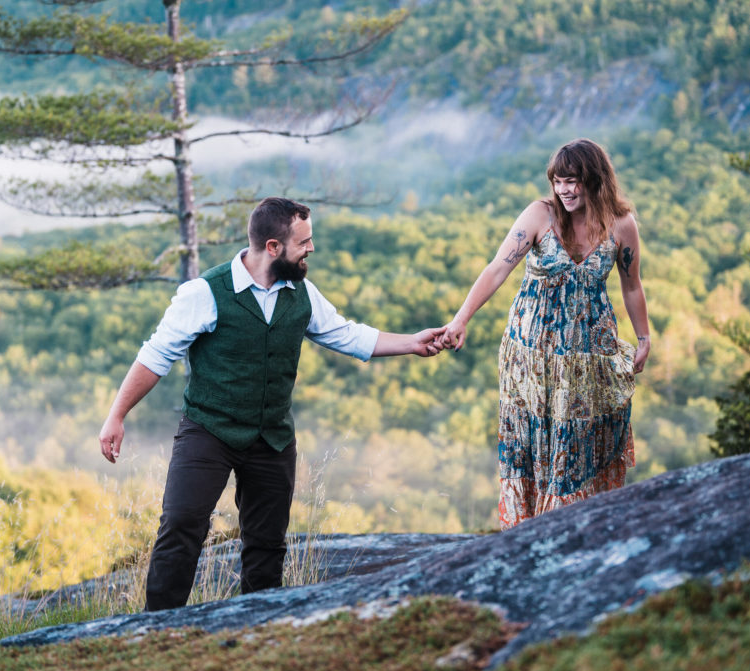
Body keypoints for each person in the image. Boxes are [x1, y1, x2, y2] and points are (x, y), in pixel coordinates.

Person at [98, 197, 445, 611]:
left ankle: (257, 626)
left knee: (266, 543)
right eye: (304, 242)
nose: (311, 249)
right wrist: (116, 416)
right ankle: (156, 630)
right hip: (208, 430)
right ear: (273, 247)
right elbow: (155, 357)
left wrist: (413, 343)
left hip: (273, 438)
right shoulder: (204, 293)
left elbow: (347, 335)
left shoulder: (303, 294)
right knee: (181, 525)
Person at [441, 139, 650, 529]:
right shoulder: (540, 215)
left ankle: (571, 531)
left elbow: (632, 285)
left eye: (573, 181)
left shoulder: (622, 225)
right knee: (533, 445)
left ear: (595, 180)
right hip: (531, 355)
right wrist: (460, 320)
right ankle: (529, 535)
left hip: (588, 357)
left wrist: (644, 338)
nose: (564, 190)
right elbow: (496, 270)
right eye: (558, 181)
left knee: (575, 449)